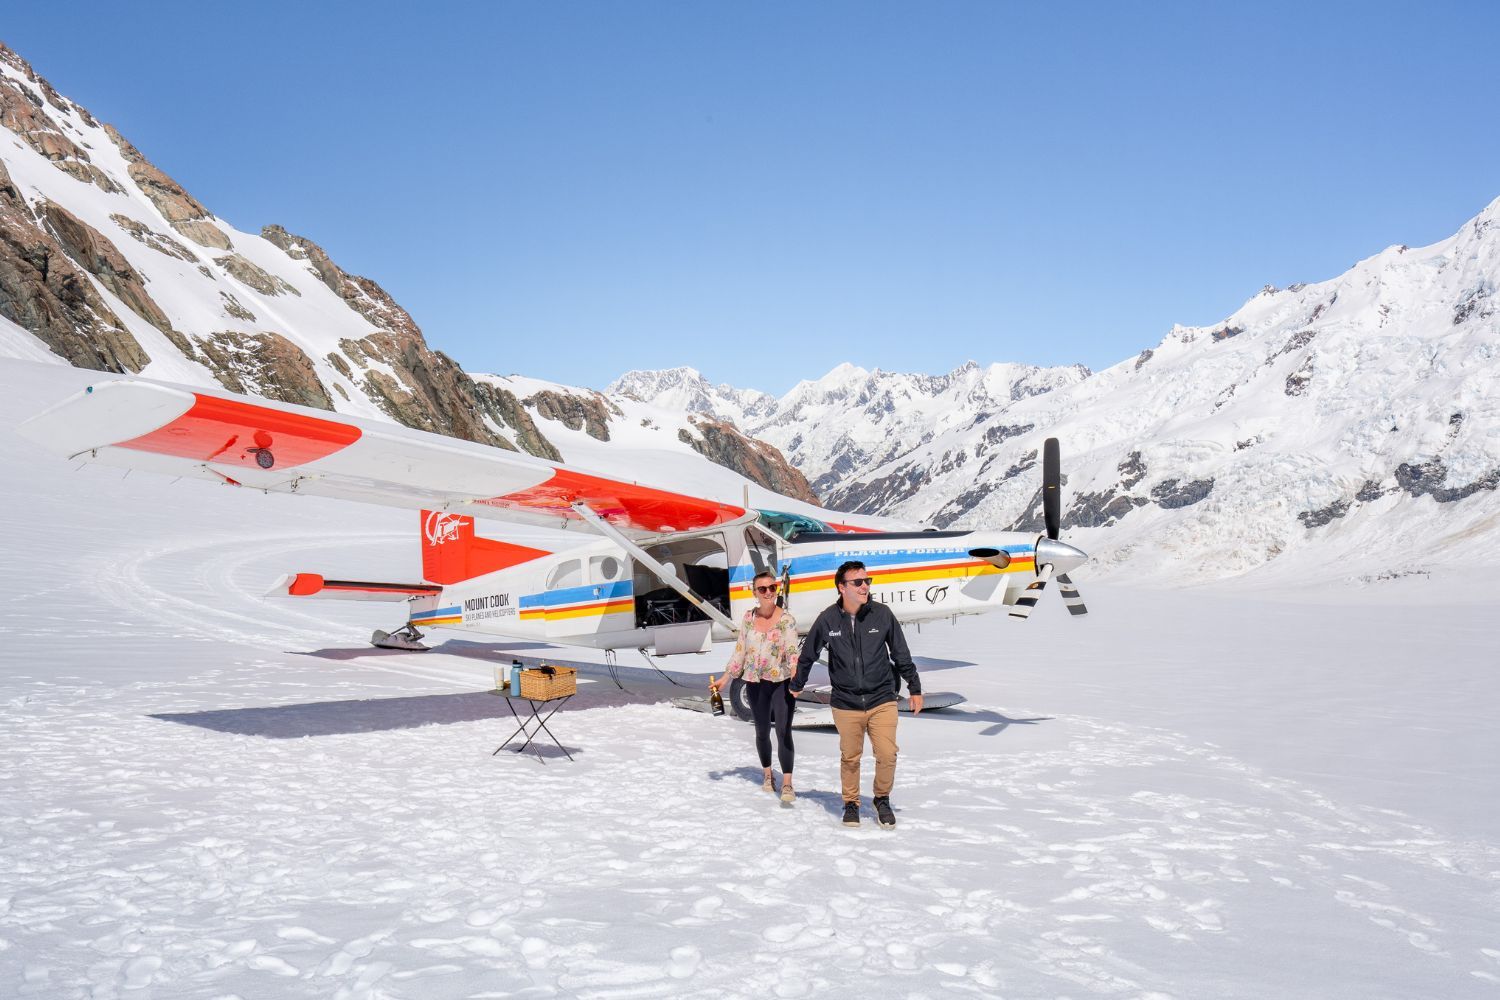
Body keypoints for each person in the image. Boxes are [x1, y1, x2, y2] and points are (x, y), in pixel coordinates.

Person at [791, 560, 922, 828]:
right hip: (846, 703)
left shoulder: (881, 614)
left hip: (882, 699)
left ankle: (881, 798)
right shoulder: (828, 619)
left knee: (887, 754)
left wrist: (915, 687)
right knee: (850, 757)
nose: (865, 586)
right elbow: (808, 655)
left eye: (867, 581)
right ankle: (851, 803)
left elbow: (901, 653)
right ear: (842, 587)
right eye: (858, 582)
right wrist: (797, 684)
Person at [710, 571, 799, 804]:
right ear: (755, 592)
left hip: (781, 682)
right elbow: (740, 650)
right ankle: (768, 775)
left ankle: (787, 783)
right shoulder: (748, 618)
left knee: (783, 731)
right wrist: (726, 678)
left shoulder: (787, 620)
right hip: (755, 683)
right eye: (762, 589)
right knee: (761, 731)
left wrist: (796, 676)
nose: (768, 592)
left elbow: (792, 651)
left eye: (772, 587)